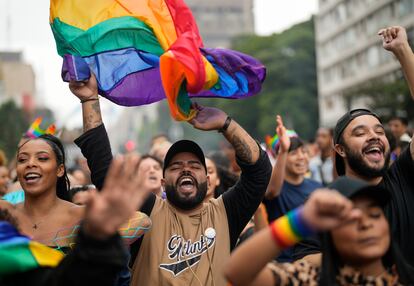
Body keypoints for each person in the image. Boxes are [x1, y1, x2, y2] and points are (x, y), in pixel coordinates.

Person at [69, 74, 272, 285]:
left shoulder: (226, 213)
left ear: (209, 180)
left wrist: (226, 124)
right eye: (176, 167)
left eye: (194, 166)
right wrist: (89, 100)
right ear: (163, 183)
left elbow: (259, 171)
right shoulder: (148, 212)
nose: (186, 170)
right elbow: (105, 172)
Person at [293, 26, 414, 266]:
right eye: (360, 132)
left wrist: (403, 51)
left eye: (379, 131)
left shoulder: (404, 176)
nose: (374, 136)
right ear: (340, 149)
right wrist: (351, 248)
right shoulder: (324, 201)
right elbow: (299, 265)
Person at [225, 177, 414, 286]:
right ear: (329, 236)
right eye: (350, 219)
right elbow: (237, 272)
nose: (366, 224)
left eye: (374, 214)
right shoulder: (312, 279)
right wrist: (301, 221)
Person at [1, 155, 151, 286]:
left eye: (42, 158)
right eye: (22, 159)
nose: (30, 164)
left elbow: (143, 220)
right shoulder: (7, 209)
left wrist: (98, 237)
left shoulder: (14, 252)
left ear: (60, 169)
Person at [264, 115, 322, 262]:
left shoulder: (317, 187)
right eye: (294, 153)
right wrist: (284, 149)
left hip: (311, 262)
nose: (301, 157)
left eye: (303, 151)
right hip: (284, 263)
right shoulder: (275, 188)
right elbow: (272, 192)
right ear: (279, 157)